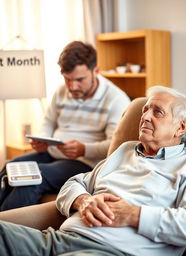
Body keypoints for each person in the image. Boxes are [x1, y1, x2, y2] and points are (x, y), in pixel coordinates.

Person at [0, 86, 186, 256]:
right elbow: (74, 183)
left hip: (108, 251)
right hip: (56, 240)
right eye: (145, 110)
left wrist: (134, 215)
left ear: (181, 127)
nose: (145, 117)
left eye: (158, 112)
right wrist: (83, 200)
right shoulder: (125, 150)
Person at [0, 41, 130, 211]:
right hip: (53, 153)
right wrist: (42, 140)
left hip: (86, 163)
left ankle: (5, 231)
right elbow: (48, 122)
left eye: (79, 80)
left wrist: (84, 149)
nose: (72, 86)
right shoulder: (62, 91)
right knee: (11, 166)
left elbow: (115, 146)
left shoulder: (116, 99)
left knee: (32, 177)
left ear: (96, 71)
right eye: (67, 79)